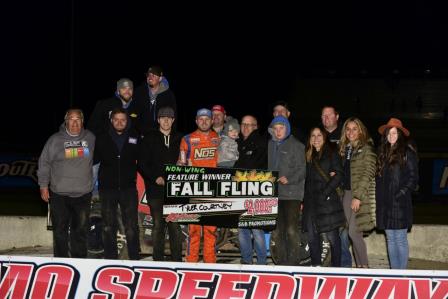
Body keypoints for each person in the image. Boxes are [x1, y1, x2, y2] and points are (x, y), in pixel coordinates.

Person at [37, 109, 95, 258]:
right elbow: (44, 163)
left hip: (83, 195)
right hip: (59, 194)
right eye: (71, 119)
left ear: (82, 121)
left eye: (78, 119)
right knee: (60, 231)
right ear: (66, 121)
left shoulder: (91, 138)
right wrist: (43, 186)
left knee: (80, 231)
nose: (75, 123)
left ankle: (79, 262)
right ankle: (61, 262)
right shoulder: (54, 140)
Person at [94, 108, 140, 260]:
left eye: (123, 120)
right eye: (116, 119)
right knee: (108, 227)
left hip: (128, 188)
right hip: (107, 189)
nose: (119, 122)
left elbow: (144, 159)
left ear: (127, 121)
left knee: (132, 227)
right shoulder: (101, 138)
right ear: (111, 120)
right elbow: (91, 161)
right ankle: (110, 259)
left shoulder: (135, 137)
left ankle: (134, 259)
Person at [138, 107, 183, 261]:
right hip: (155, 190)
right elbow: (142, 163)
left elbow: (186, 160)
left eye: (169, 118)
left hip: (175, 190)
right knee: (158, 225)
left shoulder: (180, 138)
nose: (166, 120)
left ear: (173, 120)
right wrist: (155, 177)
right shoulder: (149, 138)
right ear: (158, 120)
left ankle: (177, 260)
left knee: (175, 226)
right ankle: (158, 260)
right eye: (163, 117)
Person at [178, 108, 220, 263]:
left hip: (214, 191)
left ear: (212, 121)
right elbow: (181, 164)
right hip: (193, 189)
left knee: (211, 230)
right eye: (201, 119)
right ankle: (191, 261)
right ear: (196, 121)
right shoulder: (187, 139)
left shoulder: (219, 139)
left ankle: (210, 263)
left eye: (207, 119)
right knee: (194, 230)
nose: (204, 122)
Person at [376, 118, 418, 269]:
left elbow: (413, 179)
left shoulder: (407, 153)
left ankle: (403, 274)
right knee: (390, 239)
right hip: (385, 204)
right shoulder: (382, 153)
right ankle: (395, 273)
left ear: (400, 135)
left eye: (395, 133)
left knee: (400, 239)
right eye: (389, 133)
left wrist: (400, 194)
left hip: (400, 204)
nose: (391, 136)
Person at [302, 127, 345, 267]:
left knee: (333, 238)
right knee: (312, 237)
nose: (316, 138)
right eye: (313, 135)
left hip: (327, 201)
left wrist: (324, 193)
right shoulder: (308, 155)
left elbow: (338, 175)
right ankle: (316, 268)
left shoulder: (332, 152)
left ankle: (336, 269)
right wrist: (303, 200)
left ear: (324, 137)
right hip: (310, 202)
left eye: (319, 135)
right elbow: (305, 180)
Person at [268, 115, 306, 265]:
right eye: (275, 129)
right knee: (277, 231)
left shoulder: (297, 145)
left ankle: (294, 263)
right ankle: (281, 263)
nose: (278, 132)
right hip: (275, 194)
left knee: (291, 230)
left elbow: (303, 169)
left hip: (292, 194)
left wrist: (289, 178)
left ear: (287, 128)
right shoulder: (270, 145)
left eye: (281, 128)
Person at [339, 117, 376, 268]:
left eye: (354, 129)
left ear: (361, 130)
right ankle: (360, 267)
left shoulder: (367, 147)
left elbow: (368, 172)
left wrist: (357, 196)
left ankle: (365, 268)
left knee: (354, 232)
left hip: (359, 194)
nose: (351, 132)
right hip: (346, 194)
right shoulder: (346, 149)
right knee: (352, 233)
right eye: (348, 129)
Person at [233, 115, 268, 265]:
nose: (246, 127)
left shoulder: (260, 142)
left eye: (250, 124)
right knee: (242, 230)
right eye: (244, 124)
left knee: (256, 230)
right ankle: (247, 261)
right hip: (241, 191)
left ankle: (261, 263)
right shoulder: (239, 143)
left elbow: (253, 164)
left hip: (256, 192)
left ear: (256, 127)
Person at [321, 105, 352, 267]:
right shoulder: (319, 136)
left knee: (343, 229)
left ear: (337, 116)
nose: (325, 118)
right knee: (330, 228)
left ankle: (345, 265)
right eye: (323, 116)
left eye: (329, 115)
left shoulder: (345, 134)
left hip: (342, 190)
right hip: (325, 189)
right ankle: (334, 264)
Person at [134, 66, 177, 135]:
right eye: (148, 75)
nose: (150, 77)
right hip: (141, 135)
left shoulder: (168, 95)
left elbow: (173, 116)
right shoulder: (139, 92)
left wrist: (171, 134)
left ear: (160, 78)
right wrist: (137, 131)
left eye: (153, 75)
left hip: (161, 134)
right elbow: (133, 113)